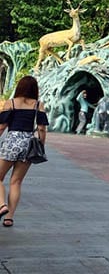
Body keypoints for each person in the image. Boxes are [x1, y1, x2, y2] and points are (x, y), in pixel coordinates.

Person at [0, 75, 49, 227]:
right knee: (16, 182)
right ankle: (9, 218)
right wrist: (41, 143)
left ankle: (2, 205)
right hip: (28, 144)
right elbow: (41, 128)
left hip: (12, 141)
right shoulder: (38, 105)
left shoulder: (11, 103)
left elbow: (2, 126)